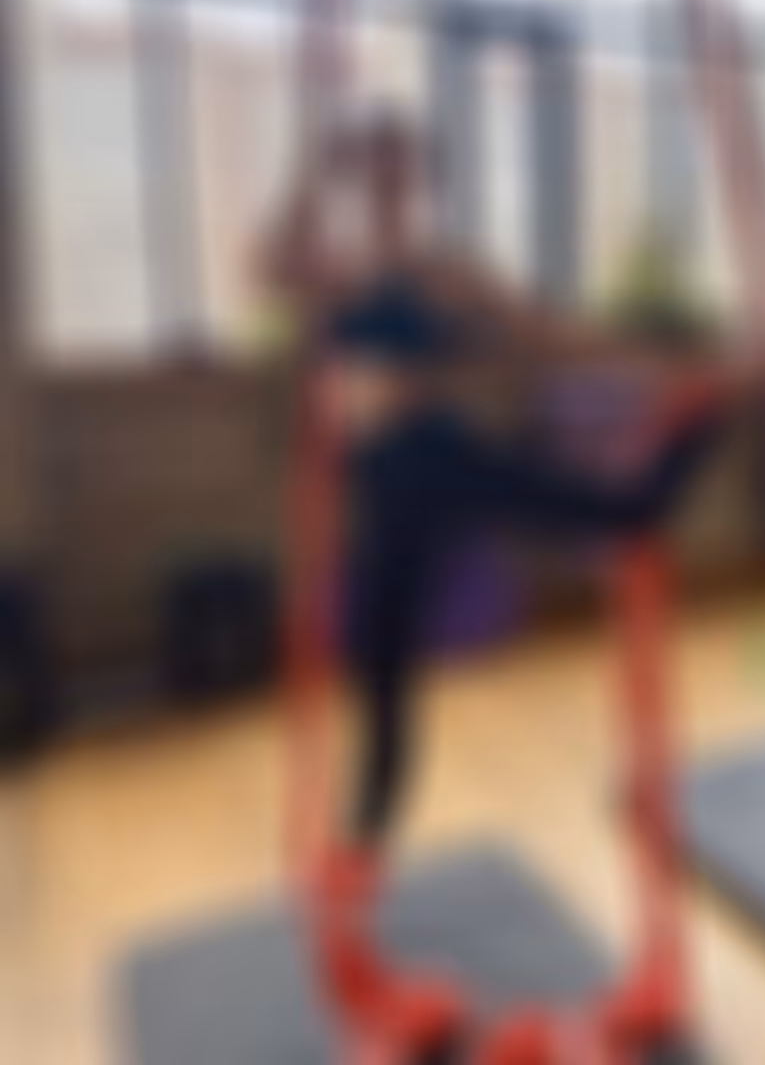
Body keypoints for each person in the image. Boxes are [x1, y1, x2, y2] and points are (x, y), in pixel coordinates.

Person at [263, 101, 734, 1053]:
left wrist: (652, 365)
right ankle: (355, 887)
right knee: (385, 705)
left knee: (610, 515)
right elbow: (271, 265)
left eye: (403, 171)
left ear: (419, 182)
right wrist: (318, 161)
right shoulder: (341, 266)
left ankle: (695, 428)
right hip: (385, 497)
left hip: (434, 459)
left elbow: (545, 331)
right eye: (377, 169)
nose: (390, 186)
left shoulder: (443, 272)